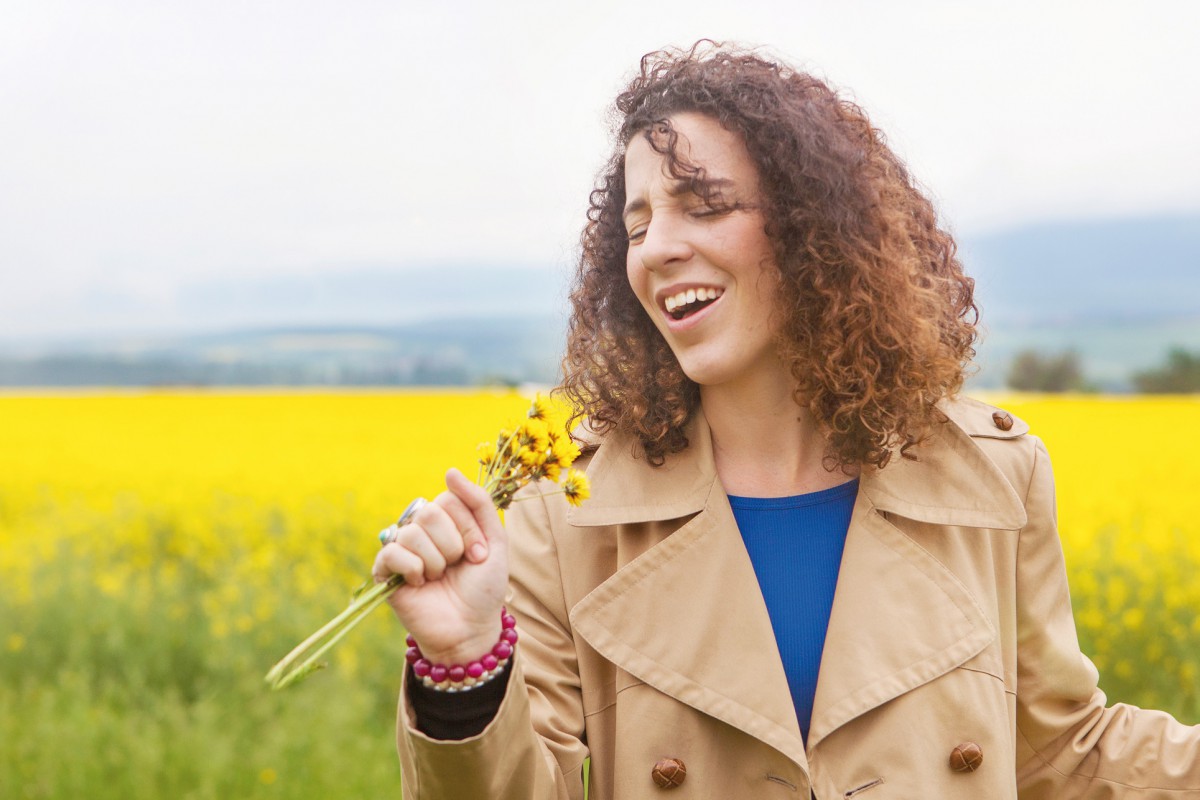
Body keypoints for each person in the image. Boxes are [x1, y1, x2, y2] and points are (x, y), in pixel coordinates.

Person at [372, 42, 1200, 798]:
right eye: (638, 223)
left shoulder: (992, 473)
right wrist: (465, 663)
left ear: (815, 230)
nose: (657, 246)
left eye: (703, 205)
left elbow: (1063, 757)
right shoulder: (571, 511)